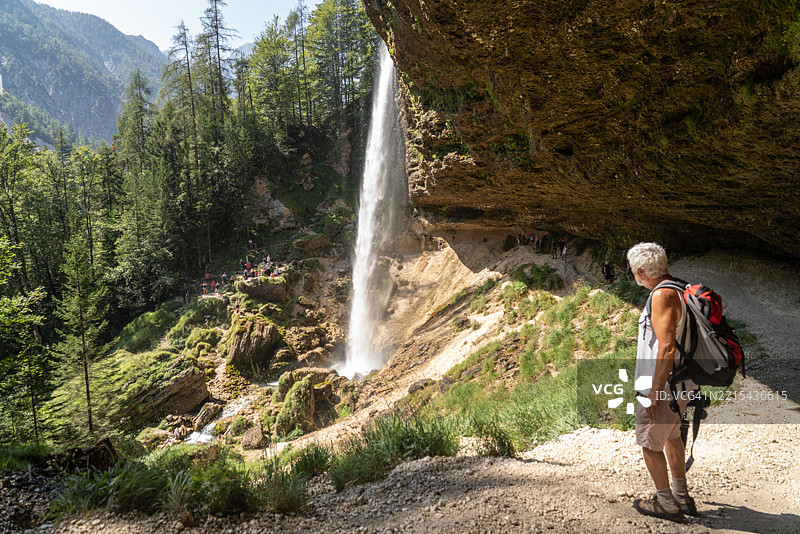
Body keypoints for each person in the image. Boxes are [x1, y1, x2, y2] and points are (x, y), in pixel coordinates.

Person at [627, 242, 697, 522]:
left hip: (664, 385)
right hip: (682, 381)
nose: (633, 274)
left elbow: (666, 347)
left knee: (649, 444)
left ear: (642, 271)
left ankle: (667, 504)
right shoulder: (680, 287)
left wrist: (653, 392)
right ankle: (681, 495)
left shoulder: (662, 296)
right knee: (671, 436)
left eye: (633, 270)